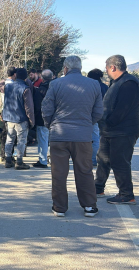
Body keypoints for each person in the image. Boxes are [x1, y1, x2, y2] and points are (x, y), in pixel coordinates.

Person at [42, 55, 103, 217]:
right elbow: (98, 112)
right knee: (84, 171)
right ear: (80, 68)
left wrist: (51, 125)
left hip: (59, 135)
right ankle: (89, 206)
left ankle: (59, 207)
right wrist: (87, 124)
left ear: (65, 68)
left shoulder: (55, 84)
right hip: (83, 136)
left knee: (59, 173)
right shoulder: (94, 84)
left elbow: (47, 109)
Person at [95, 55, 139, 204]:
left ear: (112, 67)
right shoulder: (117, 82)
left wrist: (109, 122)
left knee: (120, 162)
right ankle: (97, 187)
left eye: (106, 67)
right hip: (110, 130)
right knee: (103, 159)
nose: (106, 71)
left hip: (123, 131)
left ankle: (126, 194)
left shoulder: (128, 83)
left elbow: (123, 109)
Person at [2, 68, 35, 169]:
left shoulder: (7, 86)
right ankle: (19, 162)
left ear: (15, 75)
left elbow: (5, 101)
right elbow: (29, 107)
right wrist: (31, 121)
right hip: (21, 119)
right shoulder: (25, 88)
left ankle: (8, 160)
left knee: (9, 139)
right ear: (26, 77)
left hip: (9, 117)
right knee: (21, 140)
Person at [87, 69, 109, 166]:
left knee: (94, 137)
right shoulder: (105, 87)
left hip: (93, 115)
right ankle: (100, 157)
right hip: (104, 115)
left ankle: (93, 159)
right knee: (100, 137)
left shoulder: (90, 86)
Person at [32, 69, 53, 168]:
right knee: (54, 141)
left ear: (42, 78)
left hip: (42, 119)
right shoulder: (57, 88)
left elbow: (36, 105)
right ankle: (53, 159)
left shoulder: (40, 90)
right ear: (52, 77)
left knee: (43, 140)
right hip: (56, 119)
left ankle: (43, 160)